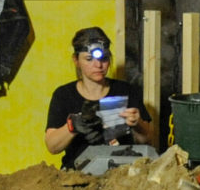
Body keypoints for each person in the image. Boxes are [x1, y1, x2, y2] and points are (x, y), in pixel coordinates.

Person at [44, 26, 152, 170]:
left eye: (104, 59)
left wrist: (137, 123)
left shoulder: (126, 90)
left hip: (121, 170)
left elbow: (146, 140)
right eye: (89, 59)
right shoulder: (64, 95)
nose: (98, 65)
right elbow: (52, 146)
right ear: (76, 60)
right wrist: (73, 126)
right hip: (77, 171)